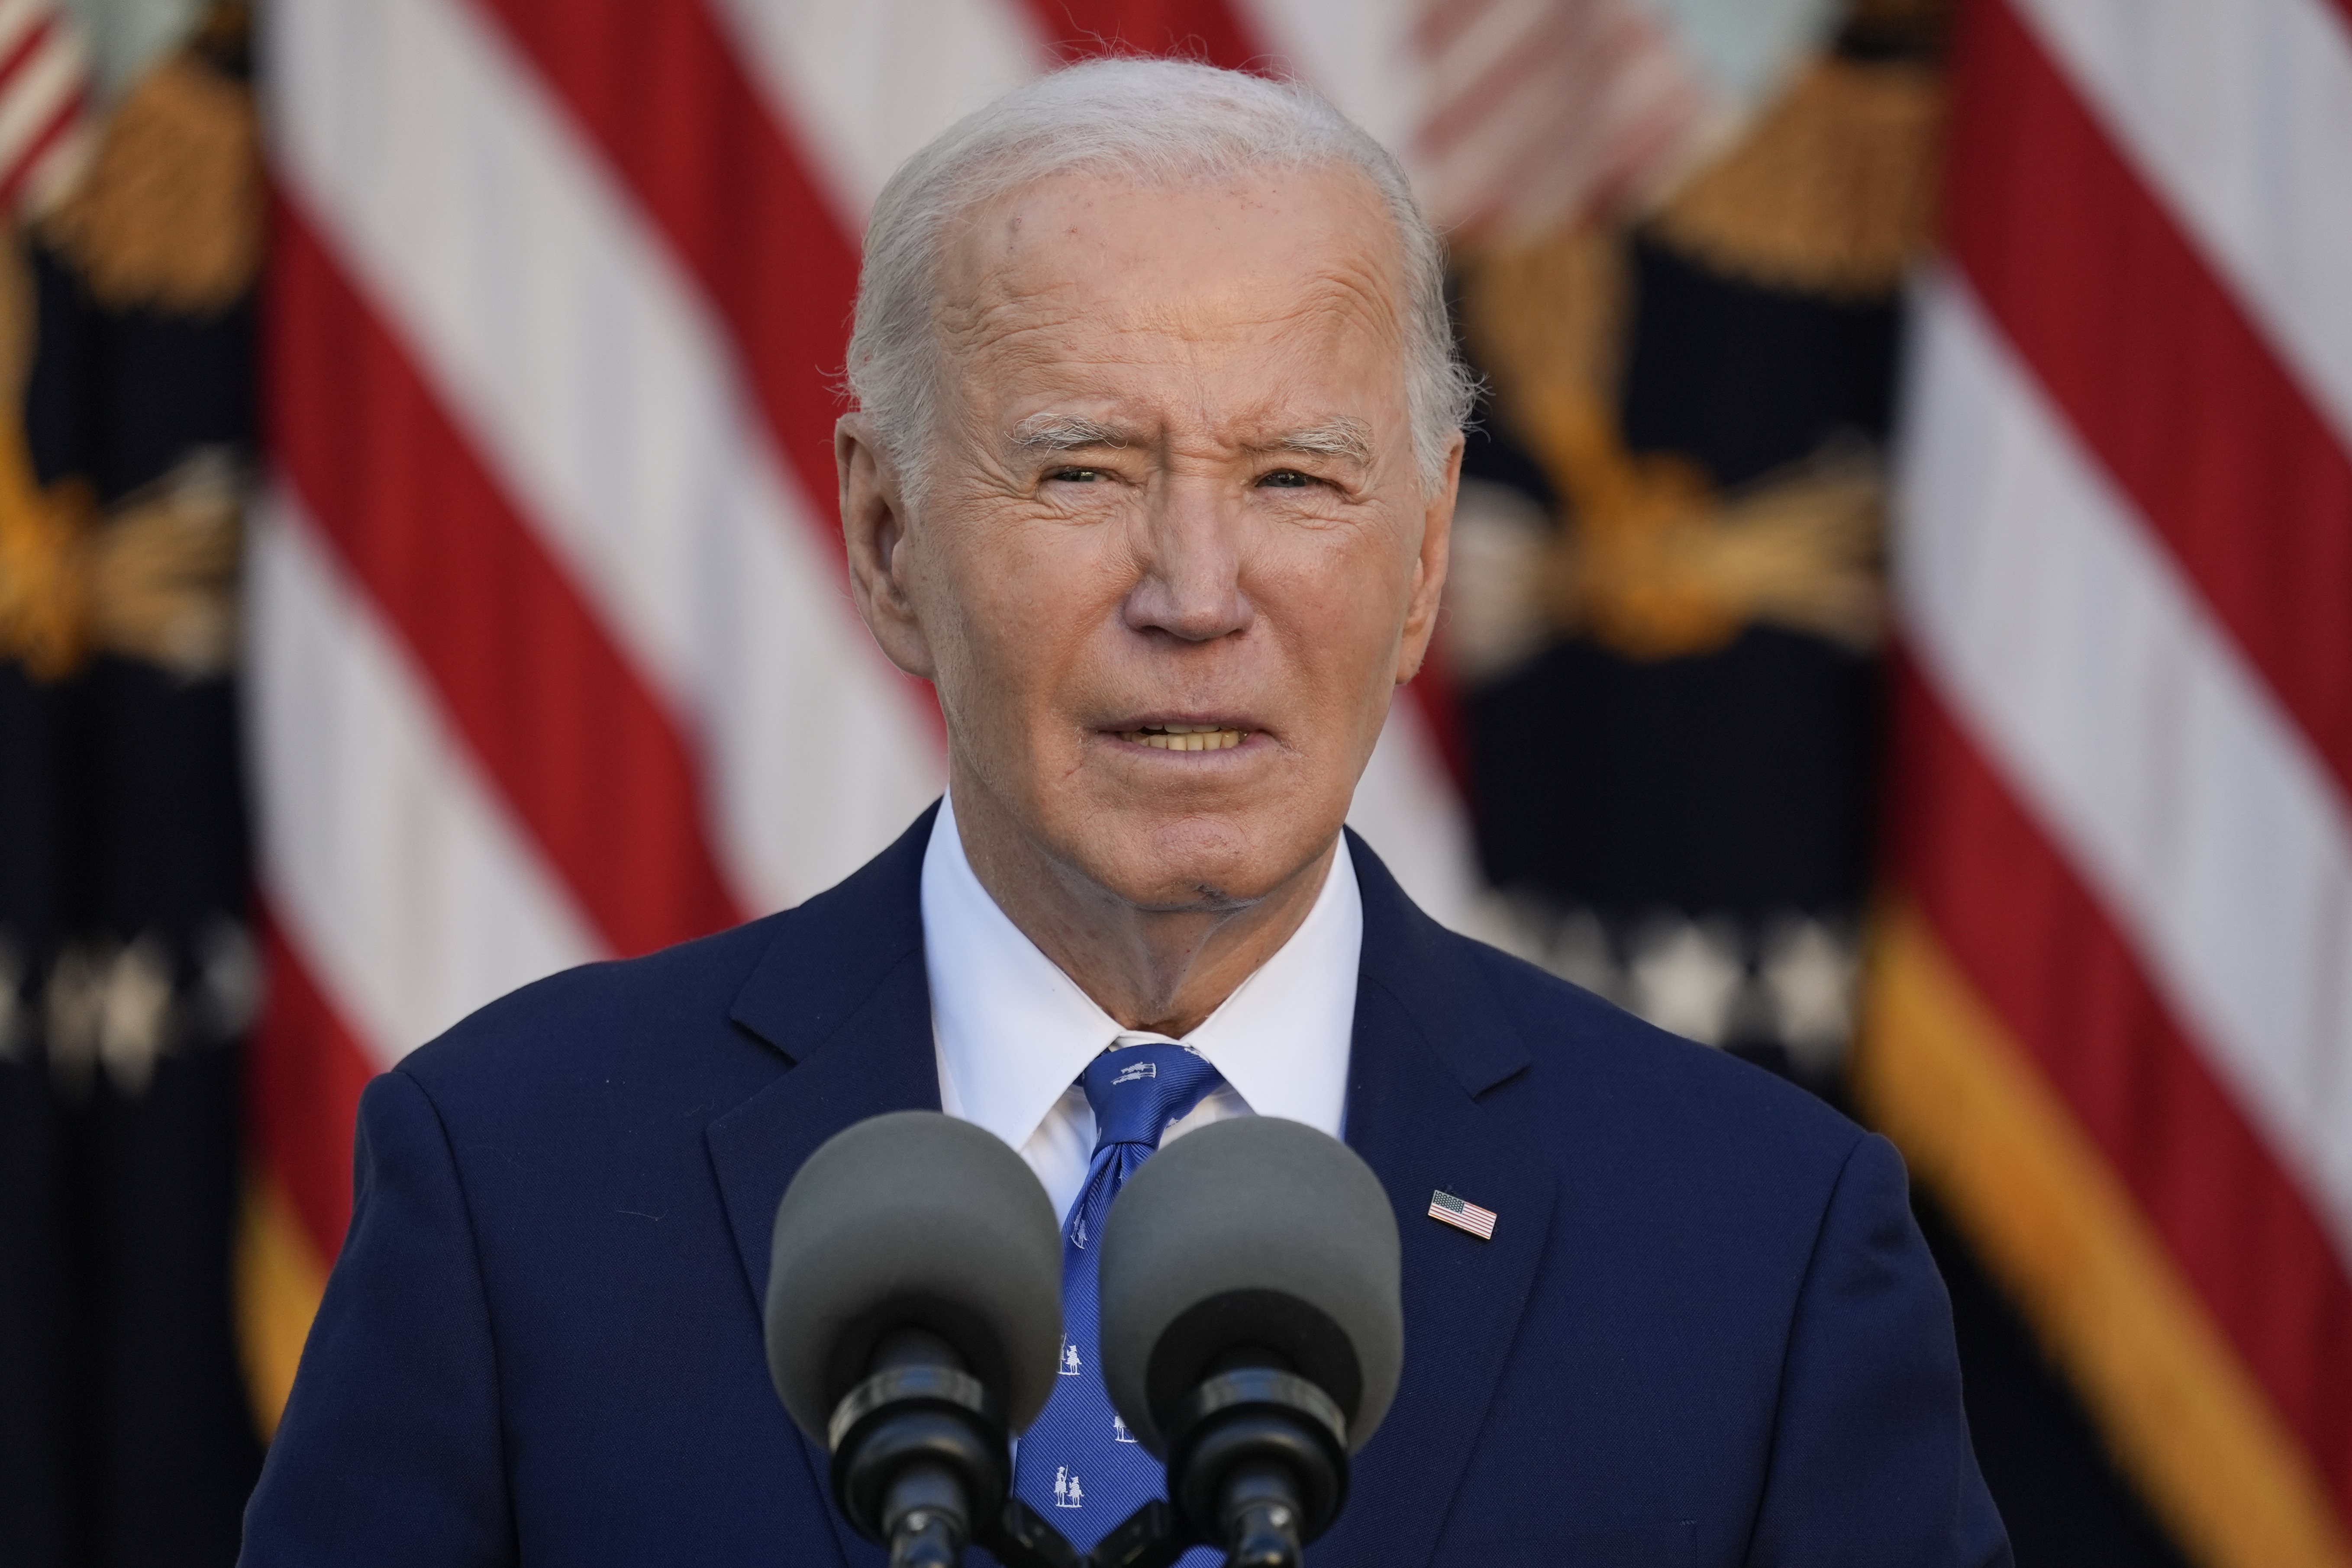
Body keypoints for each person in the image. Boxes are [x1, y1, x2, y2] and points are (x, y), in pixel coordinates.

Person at [239, 59, 2010, 1568]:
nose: (1197, 591)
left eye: (1297, 480)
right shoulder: (515, 1184)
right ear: (885, 540)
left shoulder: (1758, 1254)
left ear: (1424, 561)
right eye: (1083, 469)